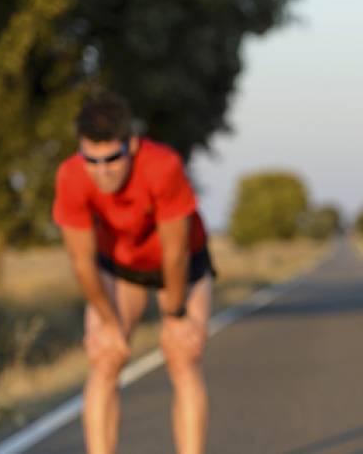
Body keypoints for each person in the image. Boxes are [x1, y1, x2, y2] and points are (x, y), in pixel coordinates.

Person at [53, 90, 215, 454]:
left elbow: (174, 253)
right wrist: (109, 324)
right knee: (105, 357)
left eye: (112, 159)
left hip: (182, 264)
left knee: (183, 354)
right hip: (122, 264)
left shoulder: (163, 166)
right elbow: (82, 262)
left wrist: (175, 317)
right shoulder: (70, 176)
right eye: (91, 160)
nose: (102, 171)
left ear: (132, 145)